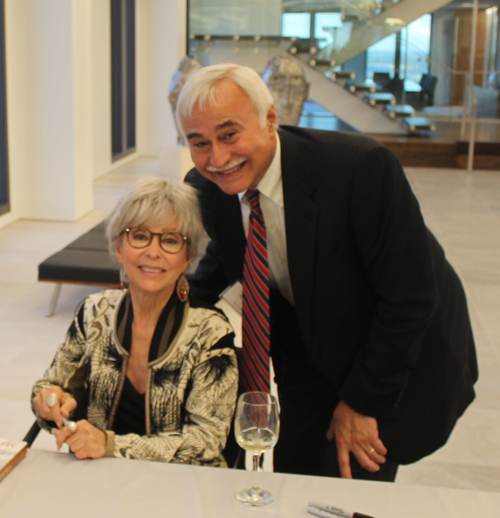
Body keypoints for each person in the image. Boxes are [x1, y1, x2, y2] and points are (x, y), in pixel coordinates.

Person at [176, 63, 478, 481]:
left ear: (269, 119)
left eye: (229, 135)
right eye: (199, 142)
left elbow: (410, 298)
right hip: (311, 340)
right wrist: (147, 310)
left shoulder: (361, 170)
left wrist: (362, 402)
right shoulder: (210, 187)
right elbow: (225, 265)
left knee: (350, 477)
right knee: (294, 470)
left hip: (397, 347)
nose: (218, 158)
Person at [31, 177, 238, 465]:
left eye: (170, 240)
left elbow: (206, 442)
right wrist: (49, 401)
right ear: (118, 247)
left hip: (182, 493)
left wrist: (109, 445)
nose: (153, 252)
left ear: (187, 256)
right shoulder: (95, 311)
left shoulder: (210, 332)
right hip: (97, 481)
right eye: (139, 236)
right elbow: (50, 384)